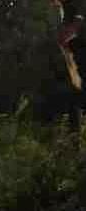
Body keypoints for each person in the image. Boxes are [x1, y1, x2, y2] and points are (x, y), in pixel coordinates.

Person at [52, 0, 86, 130]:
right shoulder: (63, 12)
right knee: (74, 95)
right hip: (74, 58)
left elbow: (79, 23)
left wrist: (65, 36)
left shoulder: (75, 5)